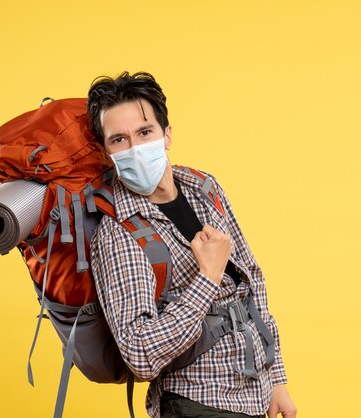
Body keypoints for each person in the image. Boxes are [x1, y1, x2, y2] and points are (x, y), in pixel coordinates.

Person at [87, 71, 296, 418]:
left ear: (166, 135)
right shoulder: (118, 232)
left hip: (253, 395)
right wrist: (208, 276)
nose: (136, 149)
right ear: (106, 151)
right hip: (195, 402)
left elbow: (251, 279)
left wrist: (276, 379)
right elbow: (140, 354)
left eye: (144, 132)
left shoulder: (203, 187)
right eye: (119, 140)